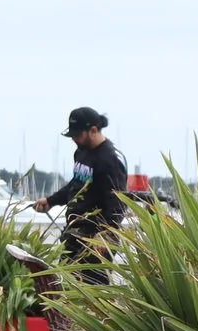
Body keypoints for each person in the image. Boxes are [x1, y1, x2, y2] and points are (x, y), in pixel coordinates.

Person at [34, 107, 129, 268]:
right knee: (65, 283)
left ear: (93, 130)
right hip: (74, 232)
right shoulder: (81, 152)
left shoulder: (110, 159)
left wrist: (106, 235)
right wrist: (50, 201)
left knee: (92, 286)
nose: (74, 139)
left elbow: (118, 203)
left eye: (77, 135)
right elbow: (76, 185)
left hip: (96, 237)